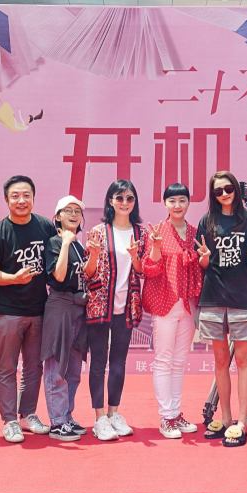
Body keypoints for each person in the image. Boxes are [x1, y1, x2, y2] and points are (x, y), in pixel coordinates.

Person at [0, 175, 55, 444]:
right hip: (8, 310)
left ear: (33, 198)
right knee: (7, 367)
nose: (21, 200)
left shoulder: (46, 227)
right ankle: (9, 420)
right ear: (6, 200)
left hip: (39, 309)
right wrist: (14, 278)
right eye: (15, 196)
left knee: (34, 366)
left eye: (26, 195)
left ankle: (28, 414)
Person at [196, 171, 247, 447]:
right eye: (218, 191)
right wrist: (204, 259)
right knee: (221, 361)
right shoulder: (207, 221)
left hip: (242, 299)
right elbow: (204, 264)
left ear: (236, 189)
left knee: (243, 361)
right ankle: (225, 418)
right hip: (213, 298)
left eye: (228, 189)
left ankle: (242, 422)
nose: (224, 194)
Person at [83, 179, 146, 442]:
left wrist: (135, 257)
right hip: (100, 304)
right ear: (110, 201)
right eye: (119, 198)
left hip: (127, 305)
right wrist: (94, 255)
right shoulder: (98, 231)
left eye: (129, 198)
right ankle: (99, 418)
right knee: (98, 361)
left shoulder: (141, 232)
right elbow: (87, 273)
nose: (124, 203)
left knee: (119, 361)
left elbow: (143, 271)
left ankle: (114, 413)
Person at [141, 183, 204, 439]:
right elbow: (149, 269)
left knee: (179, 361)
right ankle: (166, 416)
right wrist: (156, 248)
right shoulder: (157, 232)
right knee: (164, 360)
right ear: (165, 203)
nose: (177, 205)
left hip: (188, 304)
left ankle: (176, 413)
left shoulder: (195, 233)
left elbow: (201, 268)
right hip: (164, 302)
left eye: (182, 200)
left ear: (188, 202)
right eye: (172, 201)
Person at [41, 195, 90, 442]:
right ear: (58, 216)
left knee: (74, 370)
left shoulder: (80, 247)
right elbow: (58, 276)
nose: (73, 215)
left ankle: (67, 415)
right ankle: (57, 422)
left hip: (79, 309)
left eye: (77, 211)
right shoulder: (54, 242)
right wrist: (65, 244)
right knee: (56, 367)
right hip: (60, 306)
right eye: (67, 211)